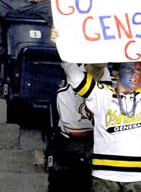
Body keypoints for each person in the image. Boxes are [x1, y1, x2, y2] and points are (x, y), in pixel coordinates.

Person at [60, 15, 141, 190]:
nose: (134, 74)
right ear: (115, 73)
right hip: (104, 177)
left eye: (138, 69)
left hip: (140, 177)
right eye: (128, 69)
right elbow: (73, 74)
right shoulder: (101, 95)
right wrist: (61, 43)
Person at [48, 61, 112, 191]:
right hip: (69, 147)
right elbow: (73, 127)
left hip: (97, 145)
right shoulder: (68, 81)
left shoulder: (111, 80)